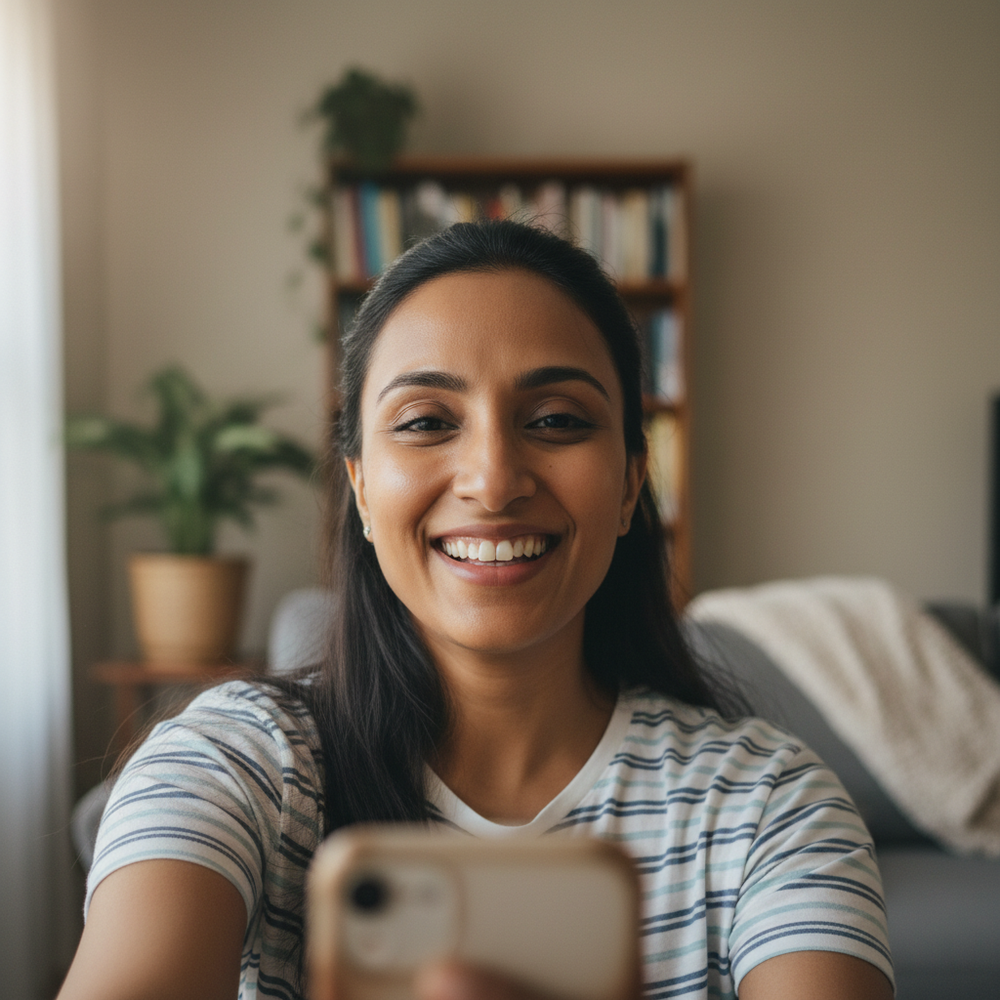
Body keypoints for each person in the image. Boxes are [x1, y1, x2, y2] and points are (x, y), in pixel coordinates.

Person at [58, 220, 894, 1000]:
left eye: (558, 420)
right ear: (357, 486)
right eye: (426, 421)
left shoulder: (768, 803)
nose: (493, 482)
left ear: (634, 479)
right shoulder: (230, 763)